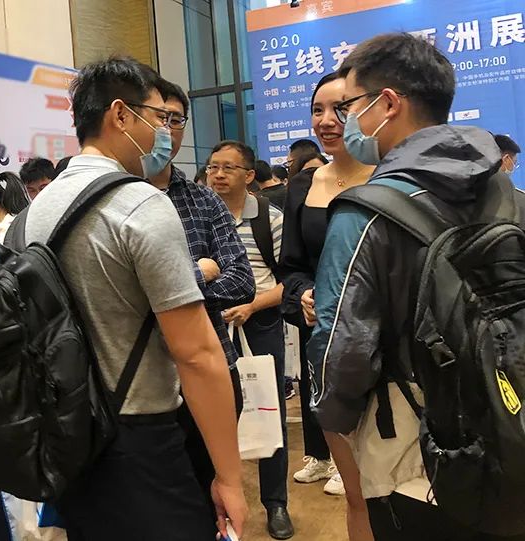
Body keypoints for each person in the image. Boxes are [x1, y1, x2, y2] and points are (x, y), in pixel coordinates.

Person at [309, 33, 525, 541]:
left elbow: (343, 352)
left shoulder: (365, 214)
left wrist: (335, 421)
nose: (344, 120)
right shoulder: (510, 194)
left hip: (416, 455)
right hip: (513, 424)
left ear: (388, 104)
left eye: (350, 105)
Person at [24, 55, 247, 541]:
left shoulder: (37, 209)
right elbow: (197, 353)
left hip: (67, 429)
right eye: (157, 117)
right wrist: (229, 477)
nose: (164, 132)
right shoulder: (142, 204)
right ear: (121, 116)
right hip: (138, 433)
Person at [150, 77, 257, 534]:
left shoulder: (202, 199)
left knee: (213, 495)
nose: (167, 129)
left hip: (212, 367)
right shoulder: (113, 200)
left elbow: (242, 280)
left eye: (176, 120)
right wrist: (199, 274)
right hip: (143, 382)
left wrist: (167, 295)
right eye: (158, 117)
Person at [278, 71, 376, 540]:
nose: (326, 120)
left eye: (340, 108)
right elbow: (291, 267)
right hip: (327, 349)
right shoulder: (302, 185)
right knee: (356, 494)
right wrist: (303, 294)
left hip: (390, 352)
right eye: (317, 110)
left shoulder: (392, 177)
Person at [205, 140, 294, 540]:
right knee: (211, 413)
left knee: (267, 410)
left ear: (249, 175)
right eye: (212, 167)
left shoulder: (269, 219)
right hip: (211, 323)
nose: (218, 175)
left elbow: (288, 281)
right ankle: (218, 500)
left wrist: (252, 306)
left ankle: (276, 504)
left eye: (228, 168)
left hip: (259, 323)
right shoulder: (201, 217)